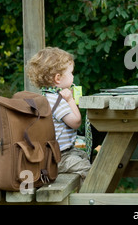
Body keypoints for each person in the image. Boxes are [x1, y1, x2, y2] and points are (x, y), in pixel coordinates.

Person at [27, 47, 91, 182]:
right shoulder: (57, 100)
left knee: (85, 156)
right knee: (87, 169)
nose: (73, 76)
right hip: (58, 158)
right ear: (58, 78)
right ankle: (87, 199)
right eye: (70, 73)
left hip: (58, 154)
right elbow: (76, 122)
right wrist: (70, 100)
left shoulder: (46, 96)